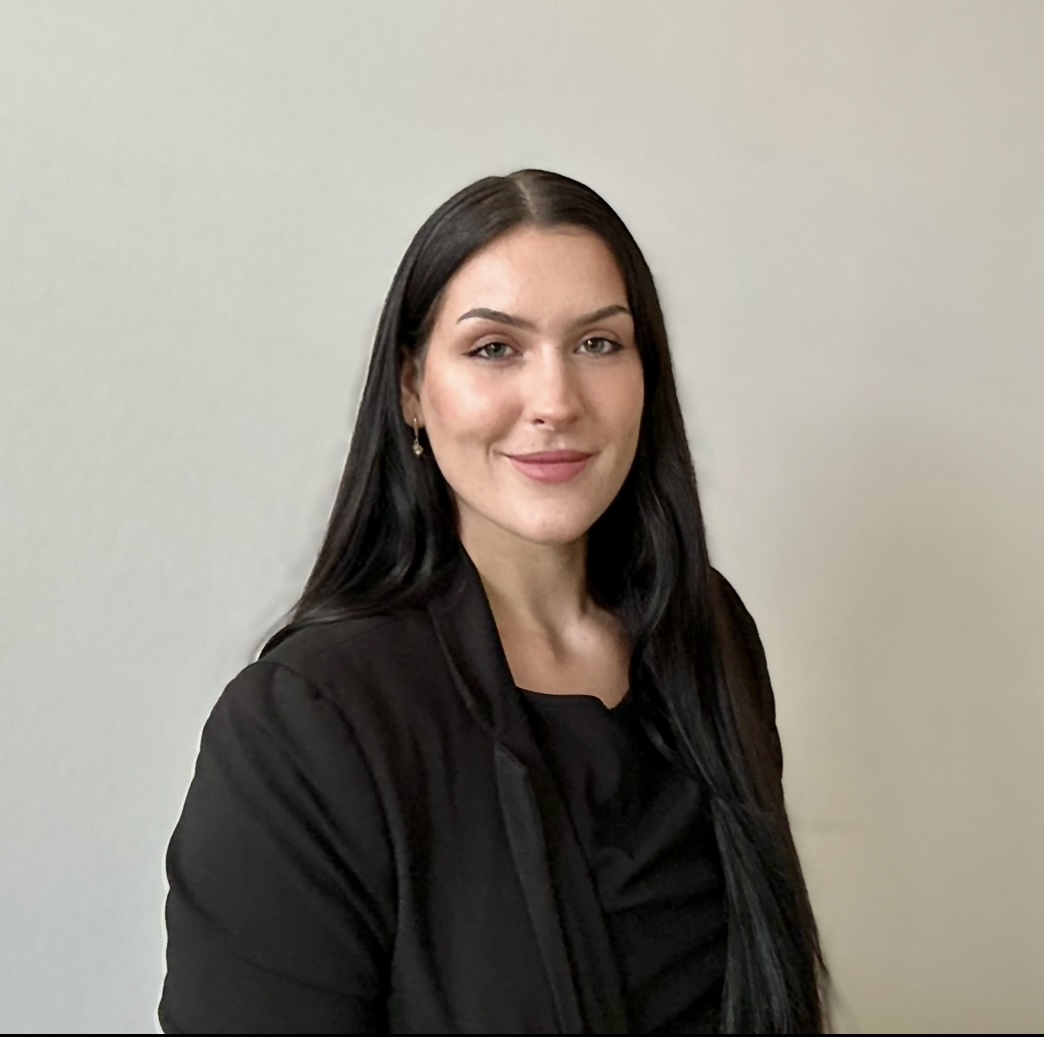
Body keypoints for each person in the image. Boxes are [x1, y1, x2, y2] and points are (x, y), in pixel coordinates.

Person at [158, 169, 826, 1034]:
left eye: (598, 344)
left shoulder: (708, 631)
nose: (555, 402)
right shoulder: (303, 725)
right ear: (411, 391)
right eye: (494, 349)